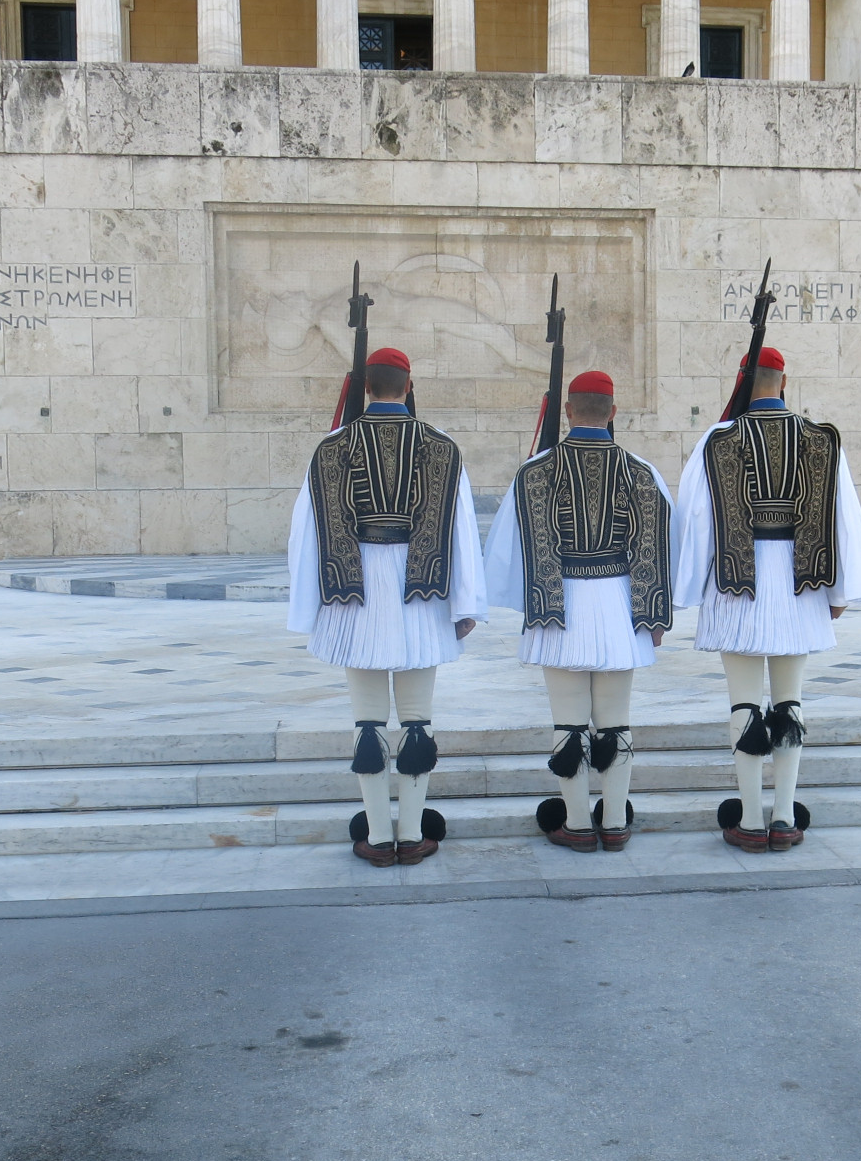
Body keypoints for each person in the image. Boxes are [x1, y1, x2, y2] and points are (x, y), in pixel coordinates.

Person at [672, 347, 861, 853]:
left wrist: (687, 590)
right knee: (791, 701)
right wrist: (841, 591)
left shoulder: (717, 440)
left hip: (736, 584)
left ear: (743, 382)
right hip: (800, 586)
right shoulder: (820, 439)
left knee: (743, 702)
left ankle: (747, 819)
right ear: (785, 381)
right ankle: (785, 818)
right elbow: (842, 515)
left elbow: (697, 519)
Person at [287, 348, 486, 866]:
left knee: (368, 724)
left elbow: (305, 535)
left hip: (354, 595)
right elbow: (461, 530)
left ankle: (377, 837)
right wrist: (466, 603)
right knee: (418, 720)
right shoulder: (442, 448)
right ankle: (415, 833)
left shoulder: (332, 446)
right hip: (424, 593)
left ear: (365, 387)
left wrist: (310, 607)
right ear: (409, 384)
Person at [484, 370, 673, 852]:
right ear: (613, 412)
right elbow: (659, 545)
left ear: (567, 411)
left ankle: (576, 825)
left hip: (558, 606)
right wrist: (653, 615)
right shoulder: (640, 470)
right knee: (616, 721)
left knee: (568, 722)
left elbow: (508, 550)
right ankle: (614, 824)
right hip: (618, 606)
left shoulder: (536, 471)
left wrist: (525, 604)